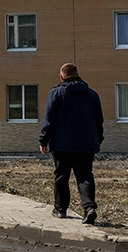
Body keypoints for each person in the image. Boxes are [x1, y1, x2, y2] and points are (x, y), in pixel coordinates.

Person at [38, 62, 104, 224]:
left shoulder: (56, 94)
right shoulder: (91, 95)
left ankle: (60, 210)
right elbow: (99, 121)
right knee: (85, 176)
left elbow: (49, 119)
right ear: (77, 74)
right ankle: (89, 208)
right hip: (86, 145)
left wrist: (43, 140)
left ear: (61, 76)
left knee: (61, 176)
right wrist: (98, 140)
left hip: (62, 145)